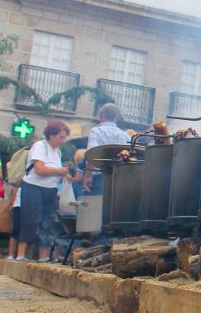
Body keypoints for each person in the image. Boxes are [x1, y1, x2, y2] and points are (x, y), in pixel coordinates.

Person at [17, 121, 72, 262]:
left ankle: (44, 257)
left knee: (48, 223)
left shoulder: (57, 151)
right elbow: (40, 169)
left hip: (50, 190)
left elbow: (54, 172)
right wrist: (60, 170)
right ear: (51, 135)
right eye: (61, 137)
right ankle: (21, 255)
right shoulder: (40, 146)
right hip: (33, 188)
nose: (63, 140)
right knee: (30, 220)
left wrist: (64, 176)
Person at [82, 103, 130, 195]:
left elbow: (92, 154)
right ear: (116, 117)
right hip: (119, 180)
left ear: (100, 116)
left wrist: (87, 176)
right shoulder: (126, 136)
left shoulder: (96, 132)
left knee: (98, 207)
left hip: (99, 179)